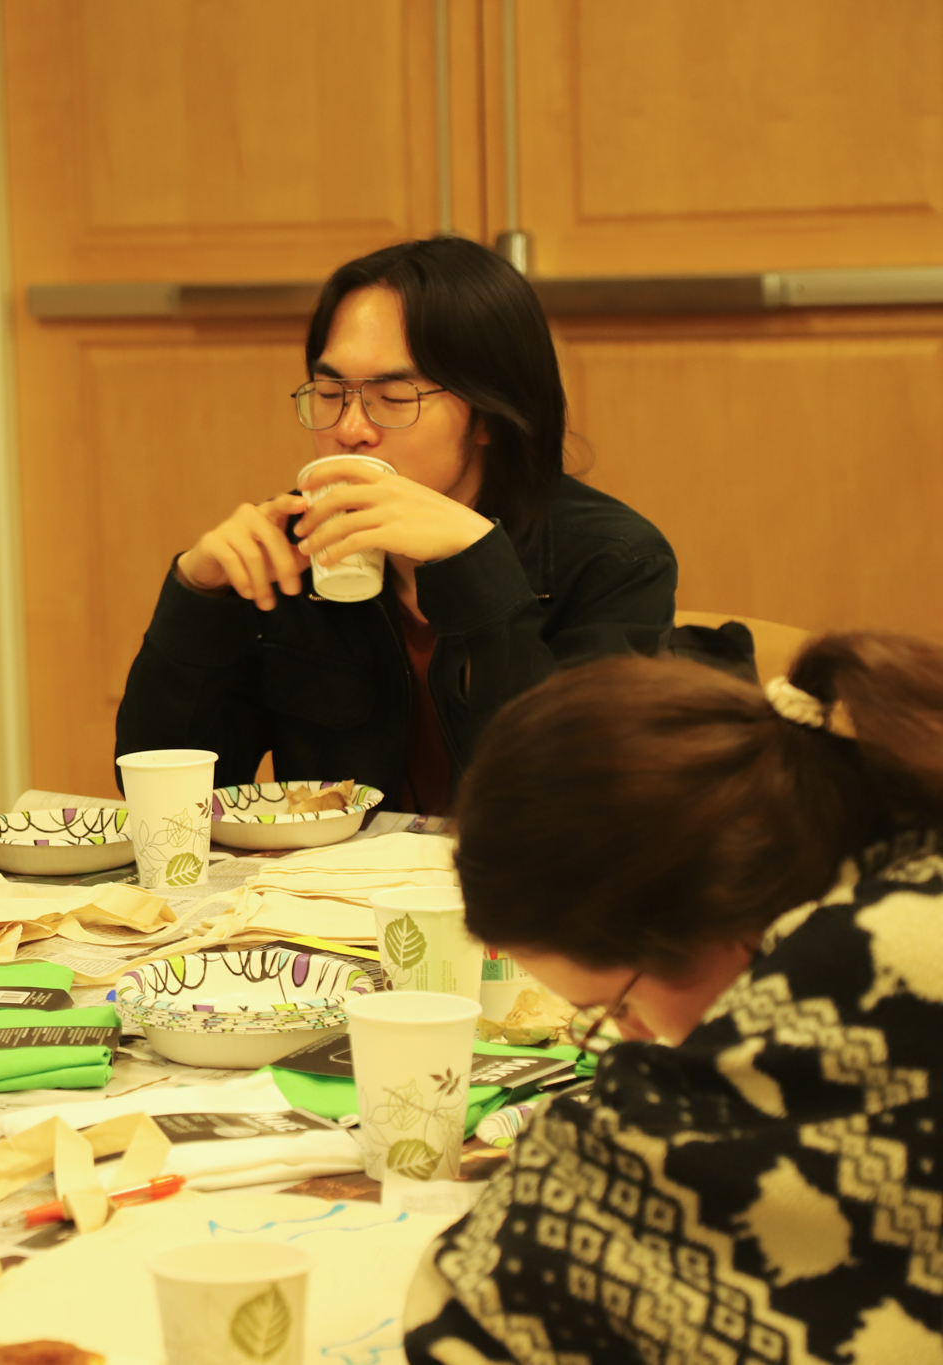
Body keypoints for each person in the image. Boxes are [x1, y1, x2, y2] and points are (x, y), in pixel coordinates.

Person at [403, 634, 943, 1363]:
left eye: (615, 1006)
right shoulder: (888, 835)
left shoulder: (870, 962)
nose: (633, 1040)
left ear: (708, 909)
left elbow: (475, 1305)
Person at [114, 237, 677, 813]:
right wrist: (198, 597)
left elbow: (586, 807)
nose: (350, 429)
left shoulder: (615, 558)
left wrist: (477, 568)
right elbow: (168, 801)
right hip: (335, 872)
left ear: (488, 414)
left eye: (393, 397)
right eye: (330, 392)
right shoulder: (289, 552)